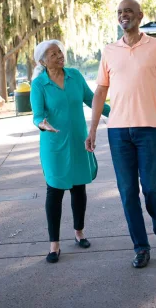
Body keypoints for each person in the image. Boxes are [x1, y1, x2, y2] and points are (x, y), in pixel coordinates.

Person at [85, 0, 156, 269]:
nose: (123, 15)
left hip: (149, 130)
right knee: (128, 192)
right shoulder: (109, 50)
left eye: (128, 11)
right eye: (119, 12)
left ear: (140, 16)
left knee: (152, 189)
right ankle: (140, 247)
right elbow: (100, 92)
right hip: (118, 133)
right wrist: (92, 129)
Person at [30, 40, 110, 263]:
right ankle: (54, 245)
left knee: (78, 188)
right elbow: (37, 115)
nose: (59, 56)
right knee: (54, 192)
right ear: (43, 61)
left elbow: (92, 100)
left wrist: (114, 112)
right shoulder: (39, 85)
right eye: (53, 54)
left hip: (78, 141)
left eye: (60, 52)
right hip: (54, 145)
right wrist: (42, 124)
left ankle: (79, 233)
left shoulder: (74, 76)